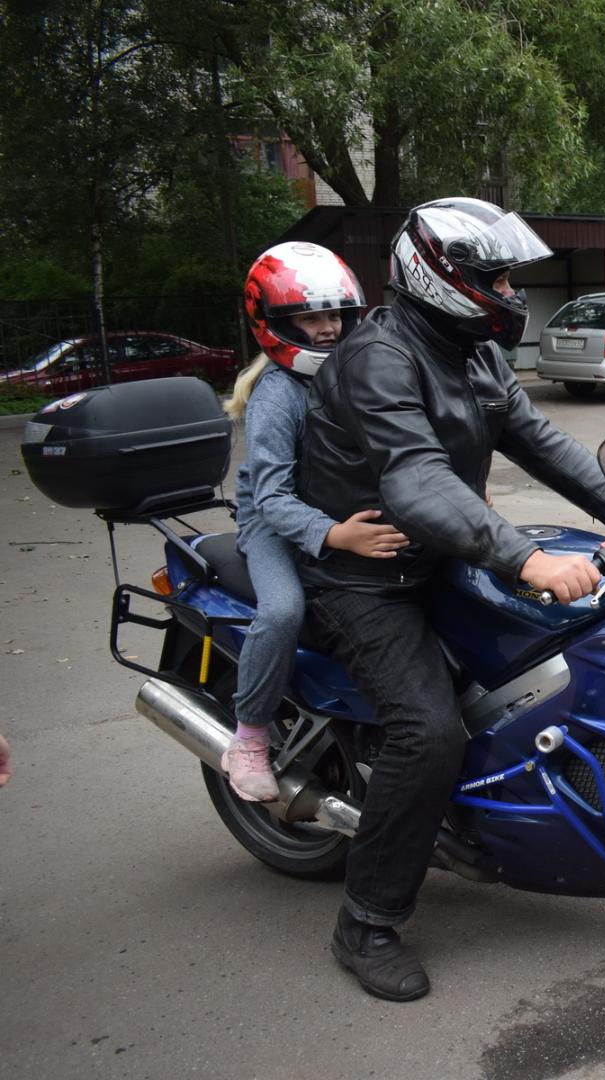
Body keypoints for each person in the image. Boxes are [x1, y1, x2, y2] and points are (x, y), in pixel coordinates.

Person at [296, 197, 605, 1002]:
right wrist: (527, 557)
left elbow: (540, 440)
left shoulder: (471, 347)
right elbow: (415, 483)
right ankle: (366, 923)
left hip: (438, 557)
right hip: (363, 581)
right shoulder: (381, 356)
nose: (512, 290)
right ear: (440, 276)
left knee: (550, 663)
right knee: (428, 731)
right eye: (499, 276)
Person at [220, 243, 408, 802]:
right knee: (283, 610)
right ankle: (249, 738)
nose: (326, 330)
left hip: (342, 509)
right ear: (275, 323)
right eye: (310, 317)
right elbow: (272, 498)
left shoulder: (358, 372)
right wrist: (336, 535)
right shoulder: (277, 394)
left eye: (334, 316)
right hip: (274, 525)